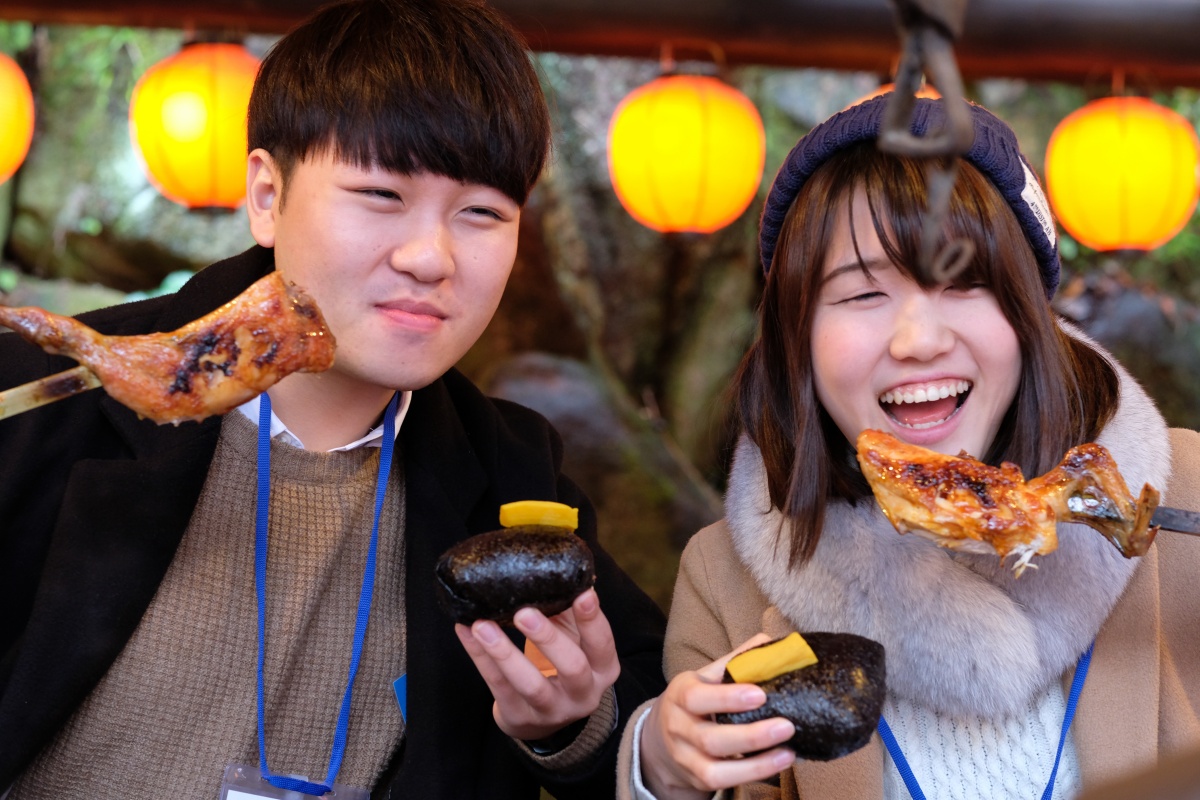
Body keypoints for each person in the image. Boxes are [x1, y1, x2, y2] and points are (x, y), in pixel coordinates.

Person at [0, 0, 667, 797]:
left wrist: (565, 729)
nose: (430, 257)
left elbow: (646, 726)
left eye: (483, 213)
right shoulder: (50, 399)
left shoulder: (512, 481)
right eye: (382, 195)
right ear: (266, 196)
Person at [616, 93, 1200, 800]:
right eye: (861, 294)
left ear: (1030, 316)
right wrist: (666, 770)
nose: (918, 340)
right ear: (796, 342)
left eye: (964, 284)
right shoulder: (724, 582)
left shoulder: (1187, 498)